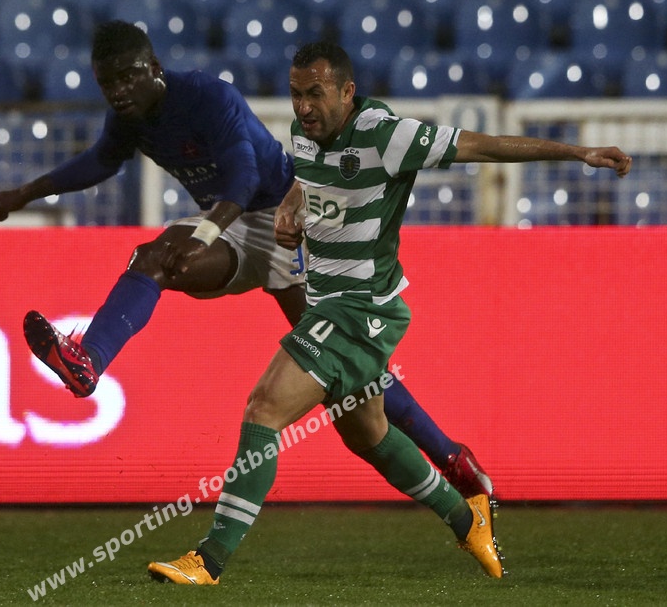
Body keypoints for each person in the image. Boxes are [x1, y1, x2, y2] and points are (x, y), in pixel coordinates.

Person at [146, 41, 632, 585]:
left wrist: (579, 153)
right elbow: (310, 181)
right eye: (296, 94)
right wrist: (291, 206)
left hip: (361, 311)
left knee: (264, 409)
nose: (304, 107)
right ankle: (466, 518)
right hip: (324, 303)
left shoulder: (387, 136)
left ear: (347, 92)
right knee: (369, 435)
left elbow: (486, 147)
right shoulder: (305, 134)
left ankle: (208, 560)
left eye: (316, 94)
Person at [0, 20, 492, 497]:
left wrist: (205, 232)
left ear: (154, 67)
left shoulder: (206, 97)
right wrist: (23, 194)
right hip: (233, 226)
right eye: (107, 83)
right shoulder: (128, 117)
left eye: (128, 77)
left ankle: (449, 456)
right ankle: (88, 362)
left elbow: (245, 176)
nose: (118, 91)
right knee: (153, 257)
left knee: (346, 377)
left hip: (289, 222)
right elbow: (100, 162)